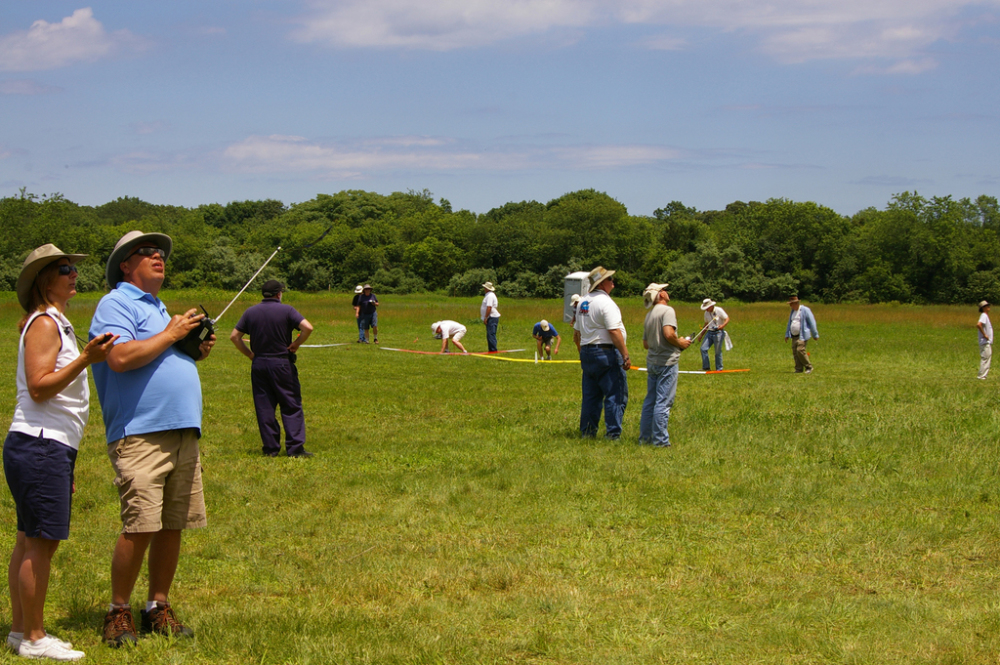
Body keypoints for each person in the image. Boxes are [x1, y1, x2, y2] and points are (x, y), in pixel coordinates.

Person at [89, 230, 217, 647]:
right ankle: (118, 611)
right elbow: (121, 357)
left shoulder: (161, 309)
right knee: (140, 525)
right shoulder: (117, 303)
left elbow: (160, 352)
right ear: (125, 265)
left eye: (160, 253)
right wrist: (172, 335)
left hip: (183, 430)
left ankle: (157, 607)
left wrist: (193, 347)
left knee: (172, 525)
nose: (157, 257)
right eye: (146, 252)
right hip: (141, 431)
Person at [4, 245, 117, 662]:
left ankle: (20, 630)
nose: (74, 274)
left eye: (73, 269)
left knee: (28, 540)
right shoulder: (46, 324)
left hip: (45, 445)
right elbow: (39, 385)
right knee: (40, 544)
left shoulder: (57, 321)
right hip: (40, 442)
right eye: (65, 269)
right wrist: (87, 358)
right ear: (44, 281)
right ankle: (34, 637)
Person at [230, 280, 315, 457]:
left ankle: (270, 448)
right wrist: (296, 343)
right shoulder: (287, 310)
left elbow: (234, 337)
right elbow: (307, 327)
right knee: (290, 404)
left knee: (264, 406)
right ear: (279, 294)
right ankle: (295, 448)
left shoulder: (250, 312)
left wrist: (249, 354)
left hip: (259, 364)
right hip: (282, 363)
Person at [573, 266, 630, 439]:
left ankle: (588, 433)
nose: (613, 282)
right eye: (610, 280)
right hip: (605, 353)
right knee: (615, 394)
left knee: (591, 396)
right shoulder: (606, 303)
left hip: (588, 352)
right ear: (602, 283)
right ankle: (613, 434)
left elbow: (577, 334)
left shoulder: (583, 302)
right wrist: (625, 354)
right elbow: (614, 331)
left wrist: (584, 352)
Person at [639, 283, 690, 447]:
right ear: (660, 295)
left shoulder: (649, 314)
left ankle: (645, 439)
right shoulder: (668, 311)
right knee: (663, 403)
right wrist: (680, 342)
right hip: (667, 362)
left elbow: (646, 343)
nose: (667, 292)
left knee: (650, 402)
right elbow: (668, 333)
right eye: (663, 290)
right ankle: (660, 441)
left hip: (652, 362)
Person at [785, 295, 819, 373]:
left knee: (800, 350)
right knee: (795, 352)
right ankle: (798, 369)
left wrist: (815, 335)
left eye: (791, 304)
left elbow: (812, 322)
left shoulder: (805, 310)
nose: (790, 306)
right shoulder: (793, 312)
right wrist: (787, 334)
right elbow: (789, 323)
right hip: (794, 336)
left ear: (796, 303)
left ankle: (809, 367)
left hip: (802, 335)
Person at [698, 298, 729, 371]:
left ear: (711, 306)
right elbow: (706, 324)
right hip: (710, 332)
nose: (706, 310)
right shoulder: (706, 313)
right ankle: (706, 367)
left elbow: (727, 318)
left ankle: (719, 368)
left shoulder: (719, 310)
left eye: (707, 308)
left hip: (718, 333)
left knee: (717, 351)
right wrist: (701, 335)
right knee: (703, 348)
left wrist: (722, 326)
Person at [481, 282, 500, 352]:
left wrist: (486, 317)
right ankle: (491, 349)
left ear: (487, 288)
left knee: (491, 333)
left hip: (491, 317)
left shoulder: (490, 296)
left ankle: (493, 350)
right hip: (491, 317)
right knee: (490, 334)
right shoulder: (489, 295)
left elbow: (489, 307)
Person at [977, 300, 992, 380]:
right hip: (984, 341)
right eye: (987, 306)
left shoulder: (985, 315)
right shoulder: (983, 315)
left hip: (986, 341)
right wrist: (985, 335)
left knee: (987, 357)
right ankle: (981, 376)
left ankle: (983, 375)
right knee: (985, 358)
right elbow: (978, 325)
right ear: (983, 308)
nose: (988, 307)